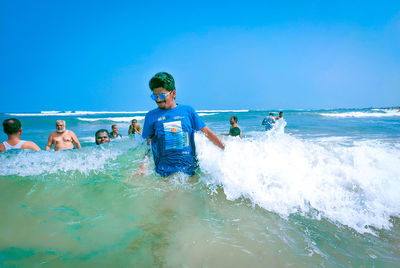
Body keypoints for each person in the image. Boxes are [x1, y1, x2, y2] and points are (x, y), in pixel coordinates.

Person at [142, 72, 225, 177]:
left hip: (190, 172)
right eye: (155, 96)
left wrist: (225, 149)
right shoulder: (151, 116)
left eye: (162, 95)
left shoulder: (188, 111)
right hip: (164, 175)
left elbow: (207, 132)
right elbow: (148, 145)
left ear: (173, 93)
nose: (158, 100)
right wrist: (143, 166)